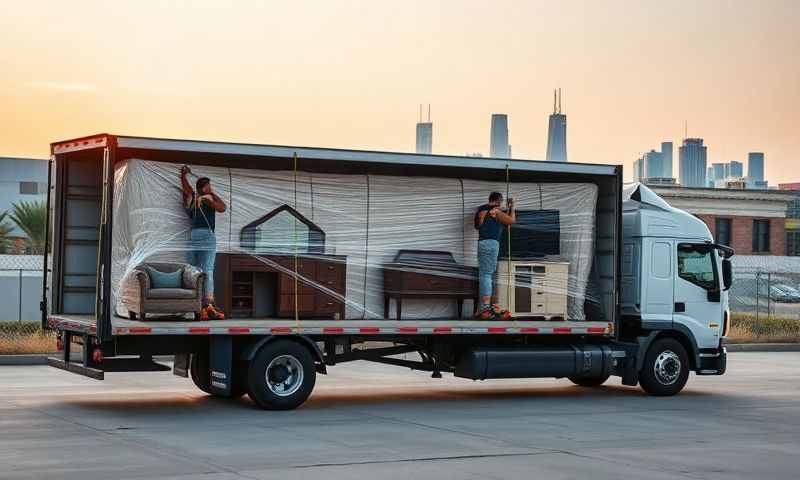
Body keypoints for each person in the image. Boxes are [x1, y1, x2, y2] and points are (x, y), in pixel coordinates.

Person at [181, 165, 227, 320]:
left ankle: (193, 303)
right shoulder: (207, 200)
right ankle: (208, 305)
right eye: (209, 186)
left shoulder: (193, 199)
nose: (211, 188)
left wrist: (183, 176)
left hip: (193, 235)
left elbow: (187, 190)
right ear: (205, 187)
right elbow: (223, 208)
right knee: (207, 270)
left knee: (193, 269)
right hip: (206, 235)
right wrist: (212, 193)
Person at [474, 192, 516, 320]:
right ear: (498, 200)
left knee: (485, 274)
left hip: (482, 243)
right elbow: (511, 221)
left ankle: (483, 308)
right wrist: (512, 208)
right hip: (491, 243)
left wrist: (506, 210)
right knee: (487, 275)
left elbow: (478, 226)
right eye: (501, 201)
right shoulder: (495, 210)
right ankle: (486, 308)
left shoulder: (480, 210)